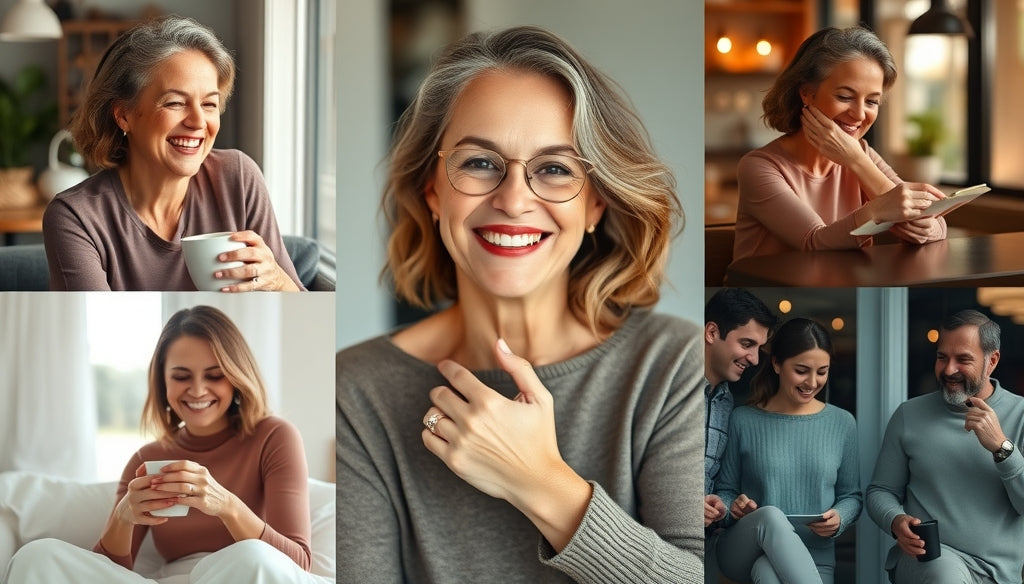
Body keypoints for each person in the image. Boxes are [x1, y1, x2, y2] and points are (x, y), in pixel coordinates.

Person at [336, 26, 703, 583]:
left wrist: (538, 481)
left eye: (555, 169)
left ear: (597, 203)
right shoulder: (356, 387)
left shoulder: (674, 365)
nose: (512, 199)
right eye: (480, 162)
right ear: (433, 190)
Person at [4, 306, 319, 583]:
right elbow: (106, 571)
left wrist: (226, 505)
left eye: (214, 376)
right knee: (37, 556)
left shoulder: (274, 437)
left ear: (236, 378)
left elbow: (296, 564)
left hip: (248, 575)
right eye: (181, 376)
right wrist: (124, 516)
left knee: (252, 557)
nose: (197, 390)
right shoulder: (148, 457)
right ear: (162, 382)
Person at [43, 16, 303, 291]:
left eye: (209, 104)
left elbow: (304, 314)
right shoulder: (76, 217)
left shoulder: (238, 178)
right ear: (124, 115)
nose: (198, 121)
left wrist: (277, 280)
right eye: (175, 102)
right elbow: (92, 330)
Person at [732, 26, 948, 265]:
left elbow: (933, 225)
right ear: (806, 93)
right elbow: (814, 243)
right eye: (845, 97)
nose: (858, 114)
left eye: (872, 101)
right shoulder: (759, 167)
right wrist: (875, 206)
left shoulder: (862, 154)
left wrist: (857, 162)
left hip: (841, 295)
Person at [866, 309, 1024, 584]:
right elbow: (880, 491)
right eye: (942, 357)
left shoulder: (1021, 414)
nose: (949, 370)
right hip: (928, 562)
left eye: (963, 359)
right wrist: (895, 520)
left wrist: (1002, 447)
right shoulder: (908, 414)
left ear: (992, 361)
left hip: (1000, 575)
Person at [713, 318, 861, 584]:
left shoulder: (843, 423)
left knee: (768, 574)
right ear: (777, 363)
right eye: (802, 370)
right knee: (771, 516)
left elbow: (851, 496)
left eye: (822, 371)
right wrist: (734, 507)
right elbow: (725, 492)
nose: (813, 382)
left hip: (815, 556)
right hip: (745, 549)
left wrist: (839, 518)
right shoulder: (743, 420)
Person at [703, 288, 775, 529]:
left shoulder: (726, 402)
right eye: (747, 344)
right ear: (712, 332)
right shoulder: (669, 388)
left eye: (758, 348)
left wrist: (724, 508)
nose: (754, 359)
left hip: (702, 544)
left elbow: (717, 487)